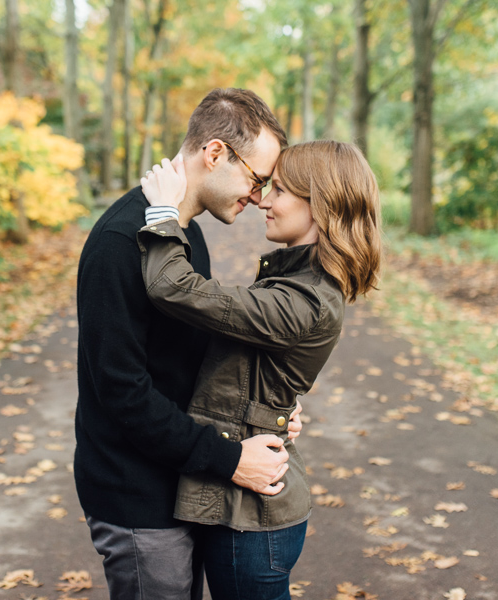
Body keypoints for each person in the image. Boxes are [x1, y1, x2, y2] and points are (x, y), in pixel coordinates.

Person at [74, 88, 304, 600]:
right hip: (137, 496)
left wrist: (264, 406)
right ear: (215, 153)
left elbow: (190, 357)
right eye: (256, 178)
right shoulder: (119, 243)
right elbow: (122, 394)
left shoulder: (182, 234)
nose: (260, 196)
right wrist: (228, 460)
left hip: (181, 480)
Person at [138, 139, 382, 600]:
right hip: (247, 510)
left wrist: (162, 213)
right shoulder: (295, 281)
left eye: (282, 191)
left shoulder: (303, 299)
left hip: (253, 521)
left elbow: (172, 285)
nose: (264, 201)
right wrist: (274, 405)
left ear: (321, 205)